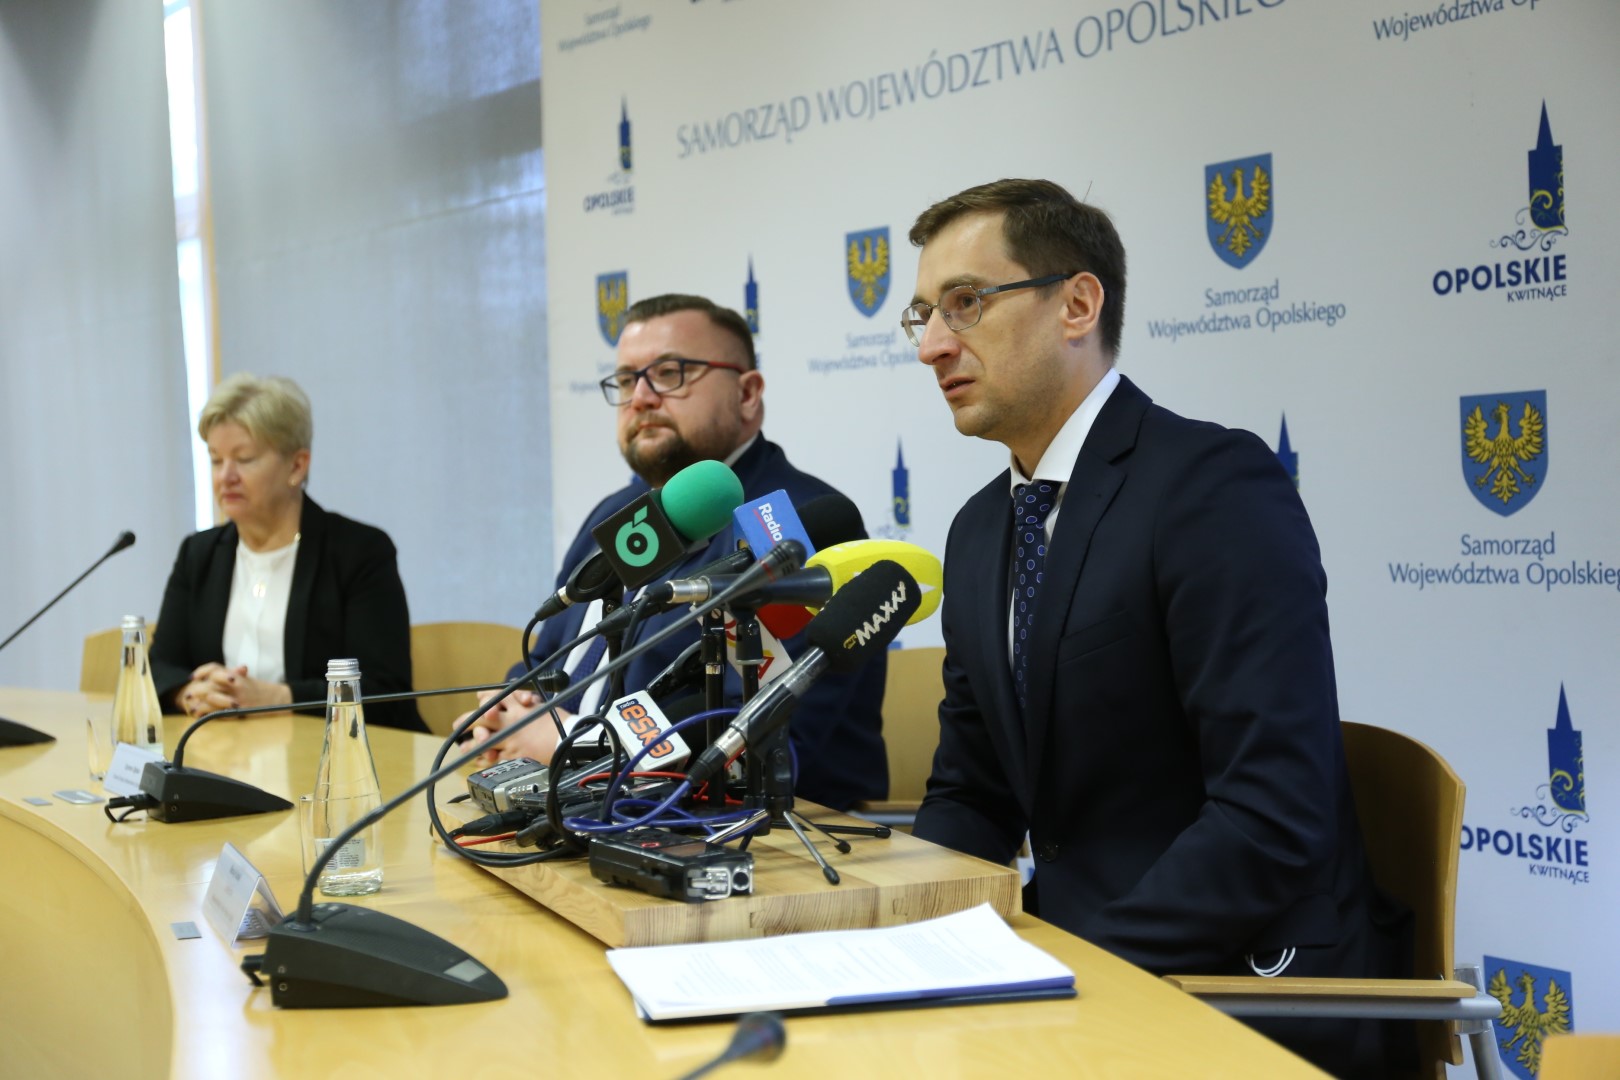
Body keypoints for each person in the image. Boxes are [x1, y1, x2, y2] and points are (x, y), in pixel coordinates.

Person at [901, 179, 1408, 1076]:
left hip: (1240, 988)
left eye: (966, 303)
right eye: (924, 315)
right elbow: (972, 797)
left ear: (1077, 304)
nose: (934, 344)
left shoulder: (1212, 487)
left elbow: (1270, 815)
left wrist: (1075, 967)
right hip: (1076, 970)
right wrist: (903, 939)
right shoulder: (980, 530)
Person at [463, 294, 886, 811]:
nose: (640, 398)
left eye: (669, 373)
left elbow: (761, 735)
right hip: (574, 810)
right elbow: (552, 659)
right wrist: (508, 709)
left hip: (759, 833)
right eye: (626, 380)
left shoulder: (795, 523)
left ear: (747, 393)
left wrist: (576, 748)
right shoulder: (616, 511)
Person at [150, 374, 423, 732]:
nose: (225, 476)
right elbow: (158, 667)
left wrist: (277, 698)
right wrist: (191, 692)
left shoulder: (358, 553)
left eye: (244, 459)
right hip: (226, 752)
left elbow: (386, 693)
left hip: (329, 755)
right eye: (216, 460)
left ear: (297, 466)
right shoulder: (199, 554)